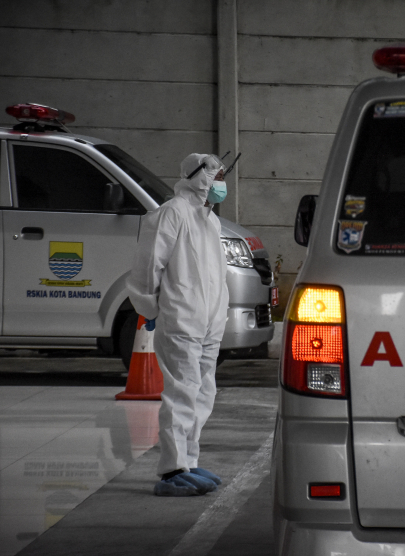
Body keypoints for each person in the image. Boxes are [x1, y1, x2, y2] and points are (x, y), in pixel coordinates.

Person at [127, 153, 230, 496]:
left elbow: (216, 277)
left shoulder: (209, 220)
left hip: (209, 322)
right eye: (216, 175)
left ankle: (190, 461)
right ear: (199, 176)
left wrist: (220, 317)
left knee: (203, 393)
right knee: (182, 393)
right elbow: (147, 267)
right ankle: (172, 468)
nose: (220, 183)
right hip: (182, 319)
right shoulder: (171, 213)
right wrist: (150, 308)